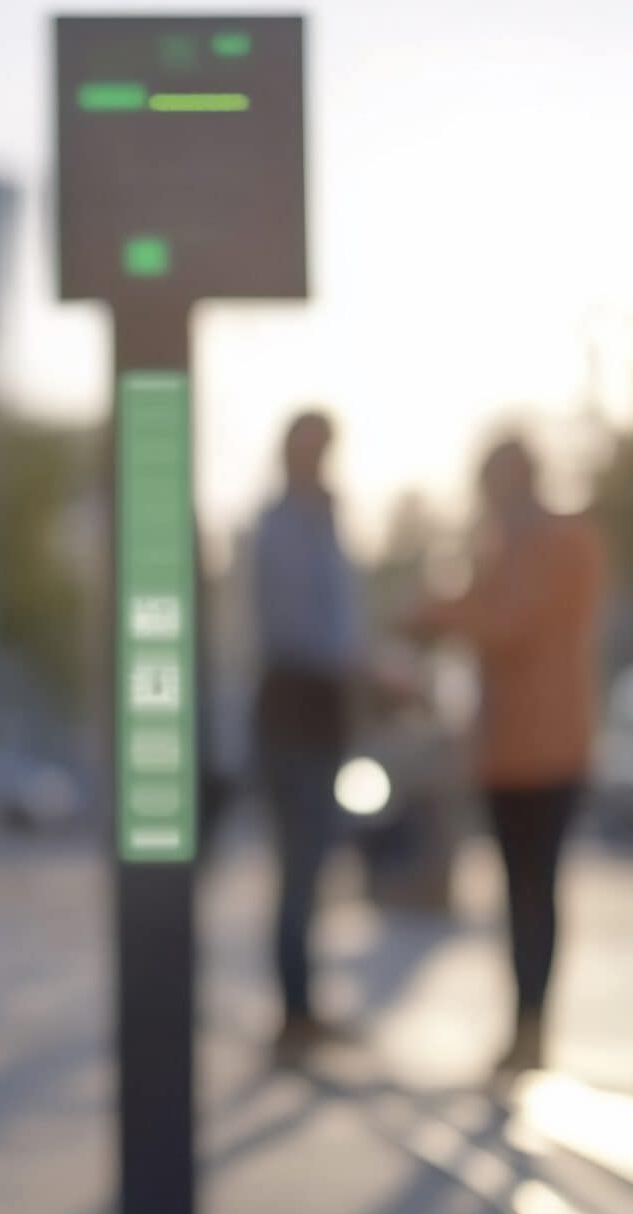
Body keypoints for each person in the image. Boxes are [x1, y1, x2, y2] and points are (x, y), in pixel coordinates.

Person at [407, 436, 606, 1081]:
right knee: (518, 891)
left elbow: (511, 628)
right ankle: (522, 1021)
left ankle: (532, 1023)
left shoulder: (561, 544)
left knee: (536, 890)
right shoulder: (496, 549)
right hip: (502, 754)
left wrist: (439, 613)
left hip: (551, 751)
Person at [250, 411, 364, 1061]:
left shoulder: (329, 522)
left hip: (324, 711)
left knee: (315, 868)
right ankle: (293, 1015)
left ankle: (304, 1007)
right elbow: (301, 628)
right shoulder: (280, 527)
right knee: (297, 870)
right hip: (291, 707)